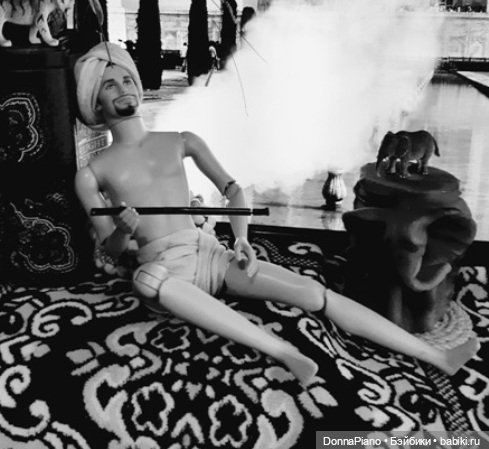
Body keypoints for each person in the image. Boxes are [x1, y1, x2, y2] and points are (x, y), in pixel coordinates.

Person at [73, 42, 479, 386]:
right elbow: (112, 248)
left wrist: (242, 238)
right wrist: (124, 230)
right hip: (164, 269)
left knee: (314, 294)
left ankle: (436, 356)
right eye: (110, 85)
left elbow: (233, 190)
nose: (123, 89)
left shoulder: (181, 140)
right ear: (95, 101)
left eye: (126, 79)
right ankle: (285, 354)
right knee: (149, 281)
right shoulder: (91, 173)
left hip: (211, 255)